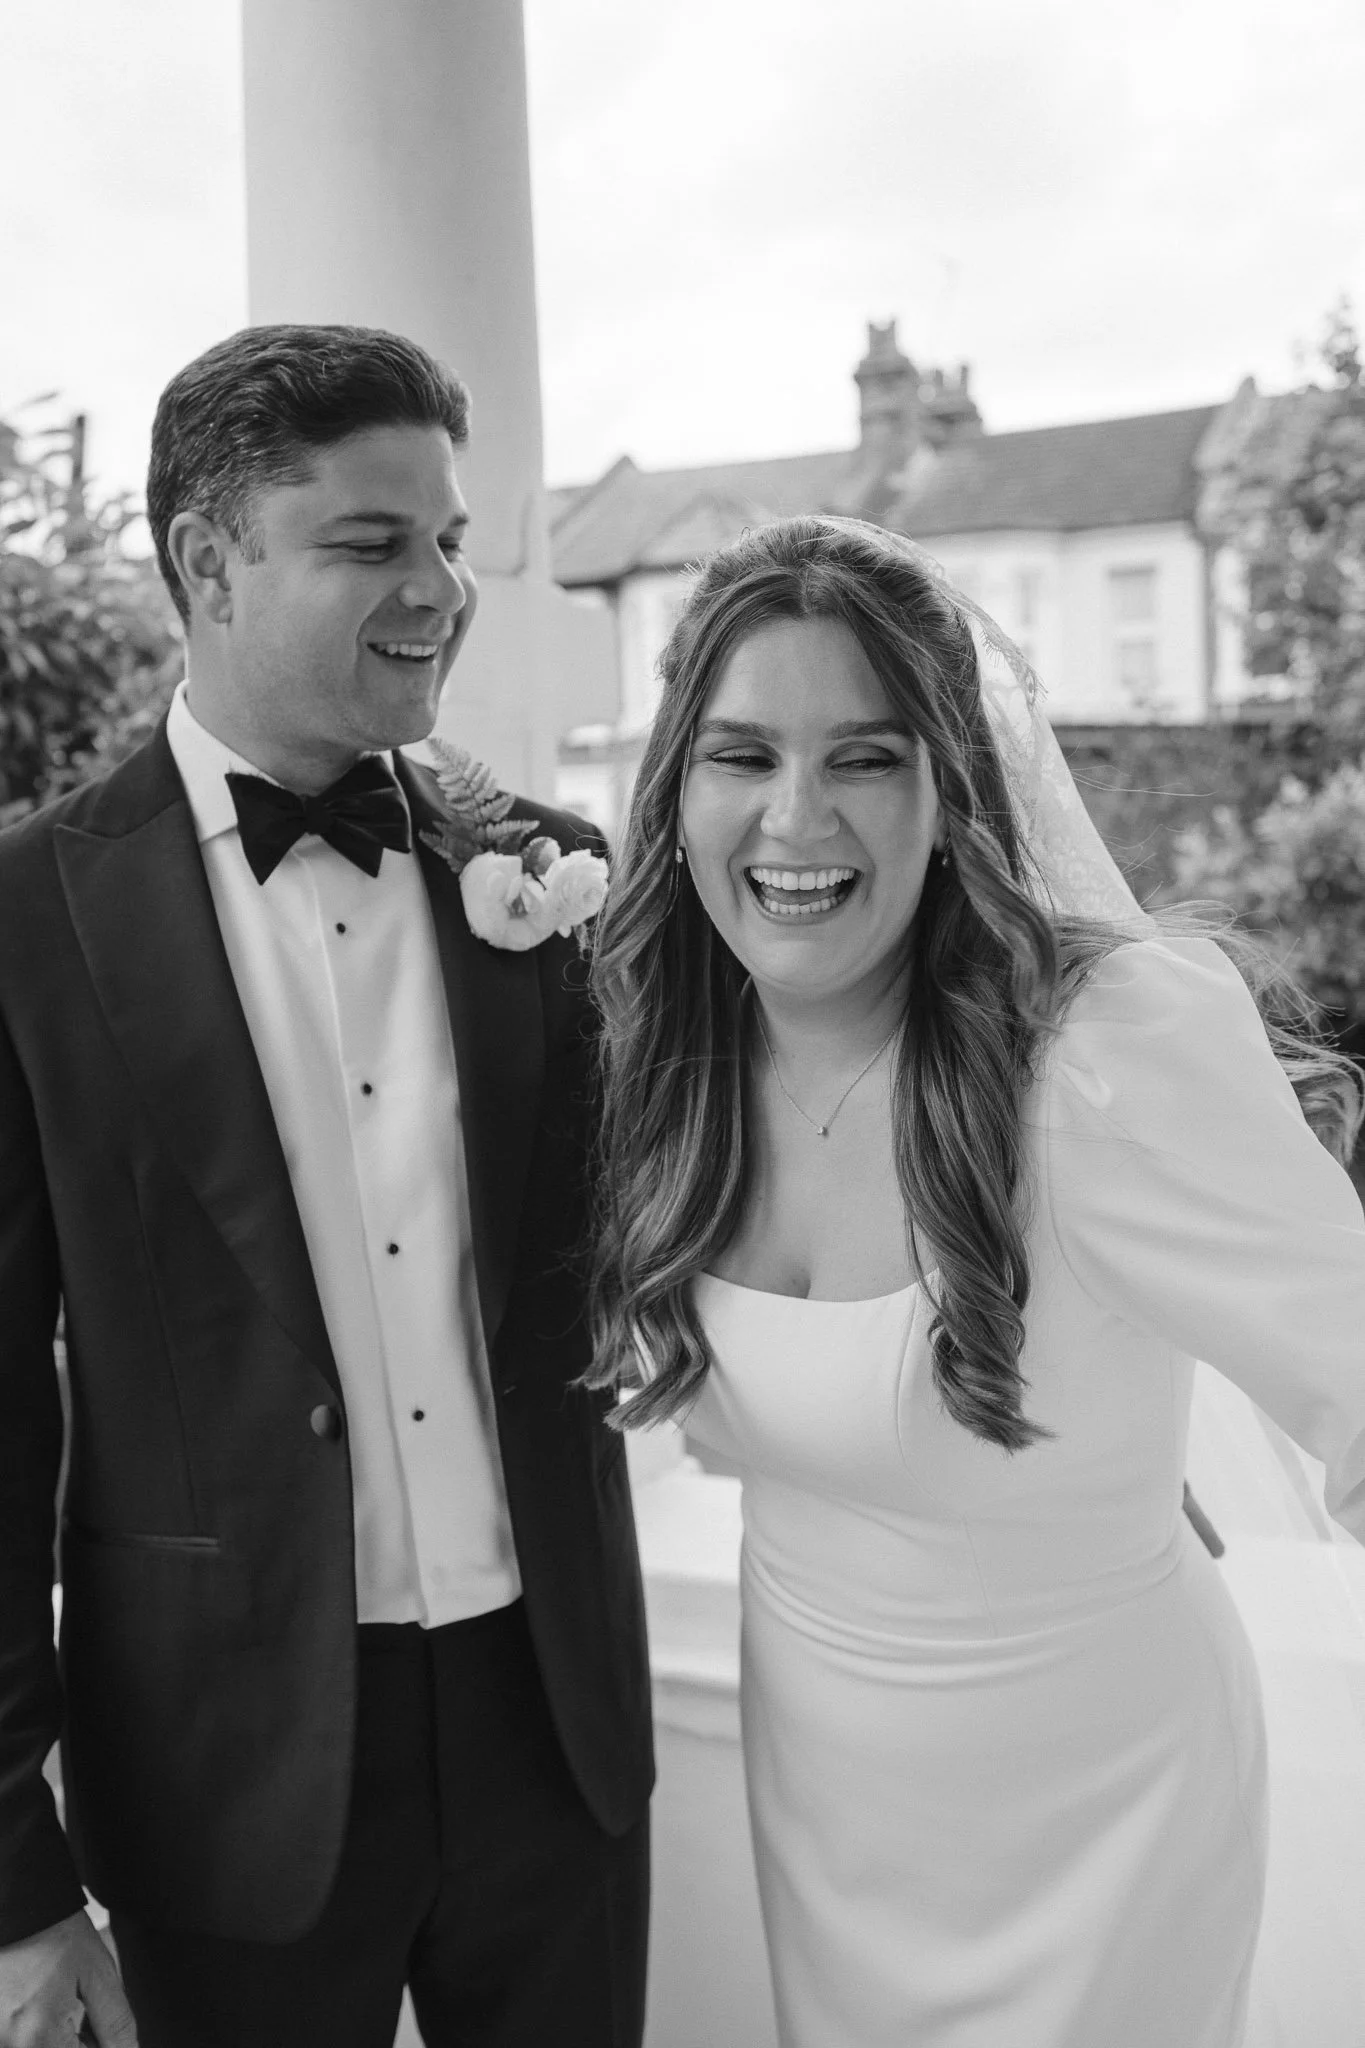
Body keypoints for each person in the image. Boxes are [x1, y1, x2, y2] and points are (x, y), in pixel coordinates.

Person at [586, 513, 1365, 2048]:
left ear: (950, 792)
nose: (795, 820)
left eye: (864, 758)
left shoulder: (1100, 1056)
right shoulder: (659, 1065)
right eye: (742, 756)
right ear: (675, 794)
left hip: (1102, 1809)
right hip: (831, 1801)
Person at [0, 324, 652, 2048]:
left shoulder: (539, 877)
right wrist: (13, 1878)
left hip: (558, 1736)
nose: (440, 584)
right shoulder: (23, 923)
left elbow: (702, 1181)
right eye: (374, 544)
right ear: (208, 566)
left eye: (445, 540)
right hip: (228, 1781)